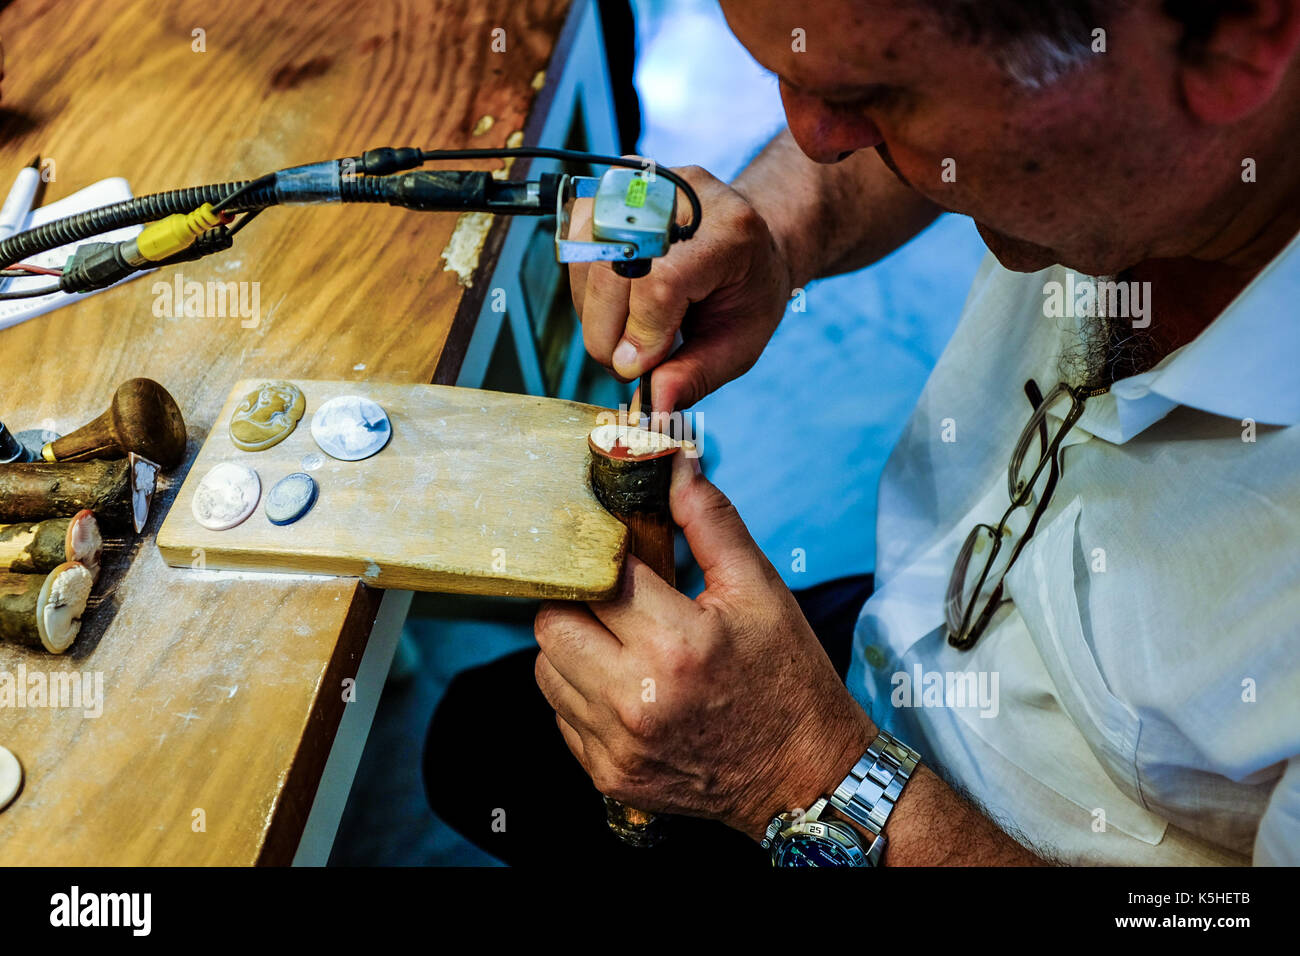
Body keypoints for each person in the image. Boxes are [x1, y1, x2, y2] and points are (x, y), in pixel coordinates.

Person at [426, 0, 1300, 866]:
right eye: (793, 75)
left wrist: (802, 772)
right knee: (474, 742)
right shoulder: (1135, 117)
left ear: (1235, 36)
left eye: (876, 91)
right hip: (891, 649)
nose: (813, 139)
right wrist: (768, 226)